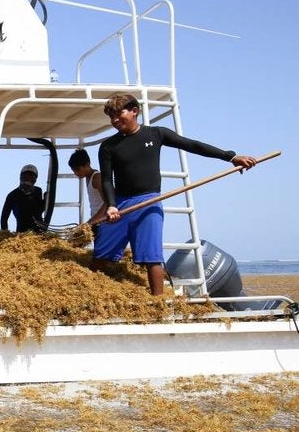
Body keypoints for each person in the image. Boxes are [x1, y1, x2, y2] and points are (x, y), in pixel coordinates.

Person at [95, 93, 256, 295]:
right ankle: (95, 293)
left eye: (119, 114)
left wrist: (230, 156)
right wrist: (111, 205)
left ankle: (158, 303)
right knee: (101, 255)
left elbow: (193, 145)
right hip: (120, 204)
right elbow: (108, 180)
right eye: (111, 117)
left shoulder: (156, 134)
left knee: (151, 256)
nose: (115, 120)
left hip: (149, 201)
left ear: (134, 111)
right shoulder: (108, 146)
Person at [0, 164, 45, 233]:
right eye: (26, 175)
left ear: (35, 179)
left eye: (31, 176)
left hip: (39, 231)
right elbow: (4, 218)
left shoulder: (38, 191)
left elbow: (39, 210)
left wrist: (47, 201)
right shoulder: (13, 195)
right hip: (22, 233)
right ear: (21, 177)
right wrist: (5, 234)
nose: (28, 178)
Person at [67, 148, 107, 227]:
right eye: (74, 170)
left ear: (87, 165)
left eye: (78, 170)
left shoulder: (96, 177)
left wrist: (91, 222)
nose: (76, 173)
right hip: (97, 222)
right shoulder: (87, 177)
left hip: (104, 222)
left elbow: (108, 202)